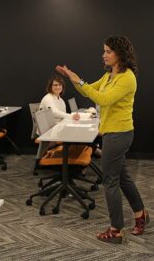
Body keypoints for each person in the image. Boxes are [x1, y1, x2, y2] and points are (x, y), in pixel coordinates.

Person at [57, 35, 148, 244]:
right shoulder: (109, 75)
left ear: (120, 53)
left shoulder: (127, 77)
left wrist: (80, 82)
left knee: (110, 181)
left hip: (119, 134)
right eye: (104, 51)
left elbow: (103, 99)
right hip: (111, 133)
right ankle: (140, 214)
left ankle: (116, 229)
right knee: (122, 178)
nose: (104, 55)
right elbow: (90, 90)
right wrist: (74, 78)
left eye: (108, 51)